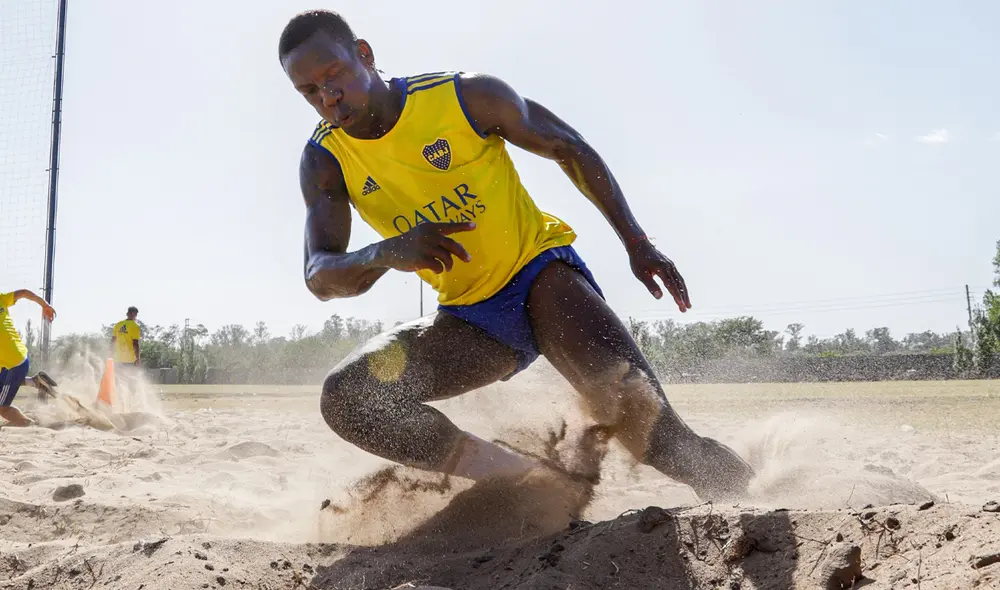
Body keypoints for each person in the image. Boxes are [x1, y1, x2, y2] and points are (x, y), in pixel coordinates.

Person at [278, 10, 755, 500]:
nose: (328, 98)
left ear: (363, 54)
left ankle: (759, 500)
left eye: (333, 75)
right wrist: (387, 252)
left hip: (541, 278)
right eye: (309, 92)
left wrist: (636, 243)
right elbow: (320, 275)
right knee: (348, 398)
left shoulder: (463, 96)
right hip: (471, 321)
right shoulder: (325, 158)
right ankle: (525, 481)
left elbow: (569, 147)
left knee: (661, 442)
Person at [1, 289, 58, 426]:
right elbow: (23, 292)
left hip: (12, 363)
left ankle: (31, 426)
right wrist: (44, 305)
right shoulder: (1, 299)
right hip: (19, 355)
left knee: (3, 409)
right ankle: (35, 381)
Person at [111, 306, 141, 385]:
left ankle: (117, 396)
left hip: (118, 358)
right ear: (135, 315)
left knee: (117, 379)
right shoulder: (135, 326)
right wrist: (137, 358)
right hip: (130, 359)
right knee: (132, 380)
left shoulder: (118, 324)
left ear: (127, 313)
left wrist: (110, 354)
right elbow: (135, 343)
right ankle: (132, 396)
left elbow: (113, 341)